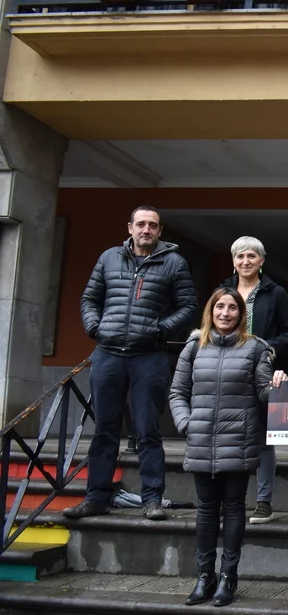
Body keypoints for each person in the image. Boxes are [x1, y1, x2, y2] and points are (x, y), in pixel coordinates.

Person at [64, 206, 198, 521]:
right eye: (141, 224)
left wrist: (159, 330)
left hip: (149, 357)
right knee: (104, 430)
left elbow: (189, 306)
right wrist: (95, 327)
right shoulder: (109, 257)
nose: (146, 229)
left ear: (160, 231)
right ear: (130, 227)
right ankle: (96, 497)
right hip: (108, 354)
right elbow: (89, 299)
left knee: (147, 431)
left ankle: (152, 500)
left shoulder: (174, 263)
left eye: (152, 225)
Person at [169, 287, 288, 607]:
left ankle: (227, 577)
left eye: (232, 308)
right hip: (201, 440)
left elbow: (264, 394)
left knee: (234, 509)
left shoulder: (255, 348)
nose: (225, 313)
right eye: (219, 307)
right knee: (206, 510)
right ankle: (204, 576)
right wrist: (186, 423)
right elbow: (177, 392)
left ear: (241, 314)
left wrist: (279, 385)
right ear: (210, 311)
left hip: (238, 441)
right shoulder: (193, 346)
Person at [221, 236, 288, 525]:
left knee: (264, 439)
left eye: (251, 256)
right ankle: (230, 500)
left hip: (263, 372)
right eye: (240, 256)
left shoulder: (276, 293)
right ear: (233, 261)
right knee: (229, 437)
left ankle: (264, 502)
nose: (246, 261)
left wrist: (266, 349)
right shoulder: (222, 291)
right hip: (226, 371)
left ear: (261, 261)